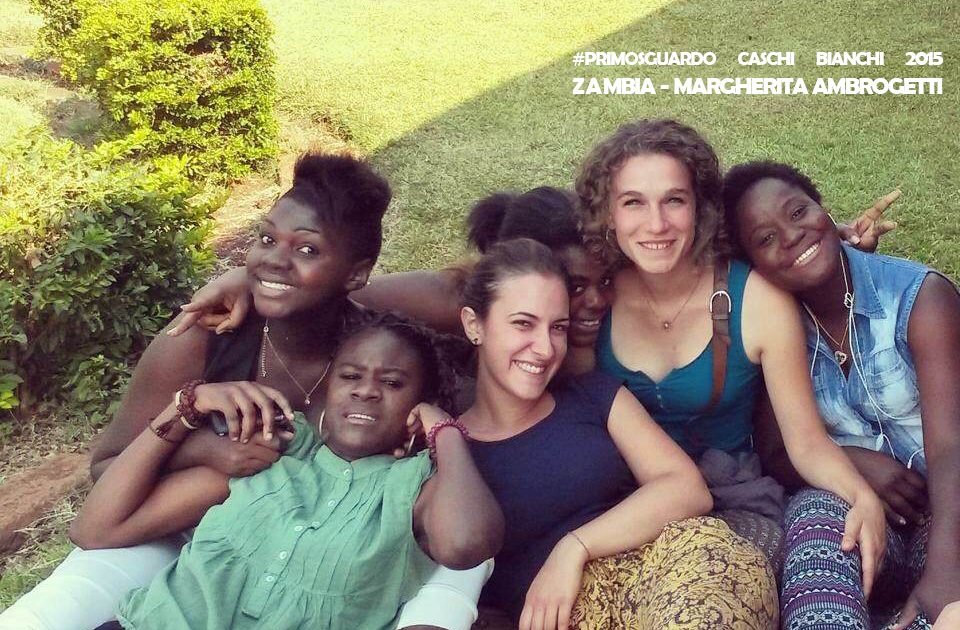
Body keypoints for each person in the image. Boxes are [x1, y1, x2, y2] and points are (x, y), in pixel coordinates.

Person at [0, 152, 497, 630]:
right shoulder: (201, 337)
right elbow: (106, 470)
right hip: (178, 534)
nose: (274, 261)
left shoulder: (373, 350)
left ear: (357, 273)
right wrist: (205, 445)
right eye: (265, 239)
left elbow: (480, 301)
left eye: (307, 249)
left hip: (312, 554)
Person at [572, 119, 886, 590]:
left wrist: (860, 494)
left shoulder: (755, 299)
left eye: (674, 200)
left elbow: (806, 442)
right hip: (622, 506)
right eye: (633, 202)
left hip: (732, 507)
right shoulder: (596, 298)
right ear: (608, 214)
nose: (656, 224)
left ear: (700, 208)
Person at [70, 311, 503, 630]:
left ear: (421, 402)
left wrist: (444, 430)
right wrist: (186, 407)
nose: (366, 391)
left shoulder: (413, 490)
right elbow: (95, 529)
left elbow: (468, 545)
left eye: (392, 383)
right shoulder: (273, 449)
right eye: (350, 376)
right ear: (329, 387)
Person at [454, 237, 775, 629]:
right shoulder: (448, 448)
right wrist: (439, 432)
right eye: (523, 324)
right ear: (474, 324)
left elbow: (686, 488)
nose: (544, 348)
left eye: (558, 328)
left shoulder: (592, 396)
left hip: (681, 569)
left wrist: (574, 547)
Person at [722, 160, 960, 630]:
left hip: (949, 507)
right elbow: (776, 452)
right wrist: (857, 463)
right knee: (815, 514)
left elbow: (953, 447)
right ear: (754, 266)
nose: (792, 236)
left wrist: (945, 571)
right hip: (862, 510)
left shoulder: (918, 297)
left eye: (798, 212)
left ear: (824, 209)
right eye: (765, 239)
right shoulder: (775, 326)